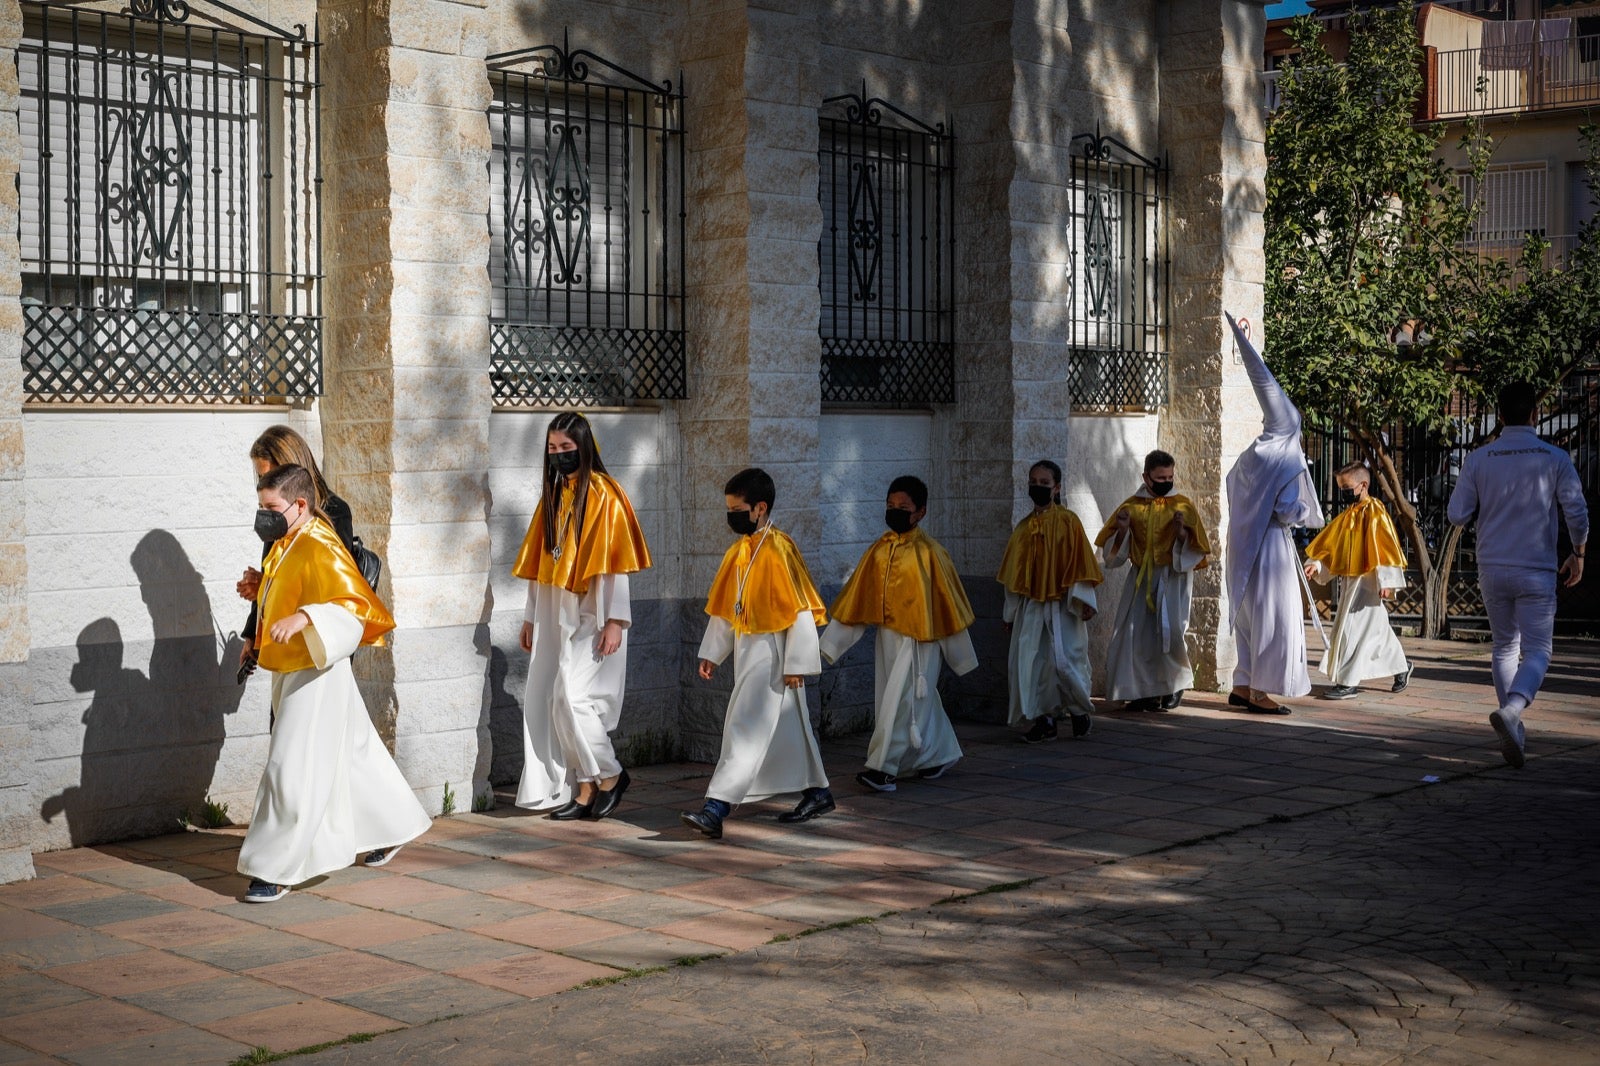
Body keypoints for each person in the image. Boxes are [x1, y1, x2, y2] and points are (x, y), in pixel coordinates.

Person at [236, 464, 430, 902]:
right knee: (352, 754)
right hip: (294, 664)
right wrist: (261, 588)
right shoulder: (285, 542)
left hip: (315, 669)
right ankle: (391, 824)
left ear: (299, 505)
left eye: (271, 507)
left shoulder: (321, 541)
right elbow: (293, 586)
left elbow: (353, 603)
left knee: (290, 763)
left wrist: (306, 617)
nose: (263, 515)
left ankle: (276, 867)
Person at [511, 412, 652, 819]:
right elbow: (540, 564)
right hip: (555, 608)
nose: (558, 456)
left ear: (584, 447)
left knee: (573, 697)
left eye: (566, 448)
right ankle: (586, 787)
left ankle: (610, 775)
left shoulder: (606, 495)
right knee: (557, 699)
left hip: (593, 610)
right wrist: (529, 616)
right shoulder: (553, 495)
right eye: (552, 449)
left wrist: (615, 620)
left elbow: (616, 564)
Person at [682, 468, 834, 839]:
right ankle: (818, 792)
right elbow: (726, 607)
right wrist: (712, 653)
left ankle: (715, 808)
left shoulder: (780, 549)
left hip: (774, 652)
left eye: (737, 508)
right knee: (786, 727)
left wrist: (797, 662)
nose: (731, 516)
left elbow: (798, 609)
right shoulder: (739, 551)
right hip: (747, 649)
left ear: (760, 508)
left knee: (745, 727)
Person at [1447, 381, 1588, 768]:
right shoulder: (1554, 458)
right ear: (1535, 414)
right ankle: (1512, 711)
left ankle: (1513, 726)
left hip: (1492, 566)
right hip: (1536, 568)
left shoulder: (1479, 459)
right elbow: (1576, 512)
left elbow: (1456, 514)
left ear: (1502, 415)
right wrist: (1578, 553)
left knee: (1505, 646)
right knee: (1539, 649)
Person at [820, 475, 977, 791]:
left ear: (921, 512)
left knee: (904, 701)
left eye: (902, 507)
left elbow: (948, 605)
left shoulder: (932, 553)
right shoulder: (879, 550)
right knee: (907, 700)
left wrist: (959, 653)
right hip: (888, 638)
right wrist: (831, 644)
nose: (894, 511)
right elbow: (857, 599)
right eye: (890, 505)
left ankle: (884, 768)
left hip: (921, 641)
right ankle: (939, 753)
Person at [1224, 313, 1325, 715]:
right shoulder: (1284, 460)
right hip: (1269, 547)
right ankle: (1259, 692)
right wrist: (1303, 509)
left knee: (1249, 616)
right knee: (1273, 617)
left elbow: (1233, 487)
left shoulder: (1252, 454)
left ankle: (1243, 682)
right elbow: (1288, 510)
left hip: (1242, 540)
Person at [234, 426, 357, 680]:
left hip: (315, 654)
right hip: (283, 650)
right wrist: (252, 633)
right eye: (261, 477)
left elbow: (336, 592)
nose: (267, 484)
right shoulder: (278, 517)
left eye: (271, 475)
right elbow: (277, 574)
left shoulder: (333, 513)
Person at [1095, 450, 1211, 713]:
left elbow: (1197, 551)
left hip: (1172, 578)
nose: (1166, 482)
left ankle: (1172, 686)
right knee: (1136, 636)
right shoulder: (1131, 506)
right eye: (1160, 477)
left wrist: (1182, 533)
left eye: (1170, 476)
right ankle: (1142, 692)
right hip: (1141, 579)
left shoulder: (1183, 506)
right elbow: (1113, 556)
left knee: (1170, 634)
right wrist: (1123, 529)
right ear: (1146, 477)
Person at [997, 461, 1103, 741]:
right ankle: (1044, 721)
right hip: (1031, 608)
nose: (1038, 487)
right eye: (1034, 481)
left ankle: (1079, 710)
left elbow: (1081, 564)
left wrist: (1085, 601)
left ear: (1057, 488)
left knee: (1066, 661)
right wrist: (1009, 615)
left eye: (1044, 483)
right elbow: (1012, 578)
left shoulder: (1069, 522)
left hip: (1063, 606)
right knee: (1033, 664)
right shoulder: (1022, 529)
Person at [1302, 461, 1412, 699]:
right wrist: (1317, 563)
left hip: (1369, 580)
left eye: (1347, 487)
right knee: (1376, 631)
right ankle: (1402, 666)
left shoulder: (1376, 511)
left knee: (1354, 628)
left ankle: (1348, 682)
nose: (1343, 493)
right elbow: (1332, 545)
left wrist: (1388, 580)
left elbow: (1386, 546)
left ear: (1363, 485)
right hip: (1351, 581)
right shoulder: (1348, 515)